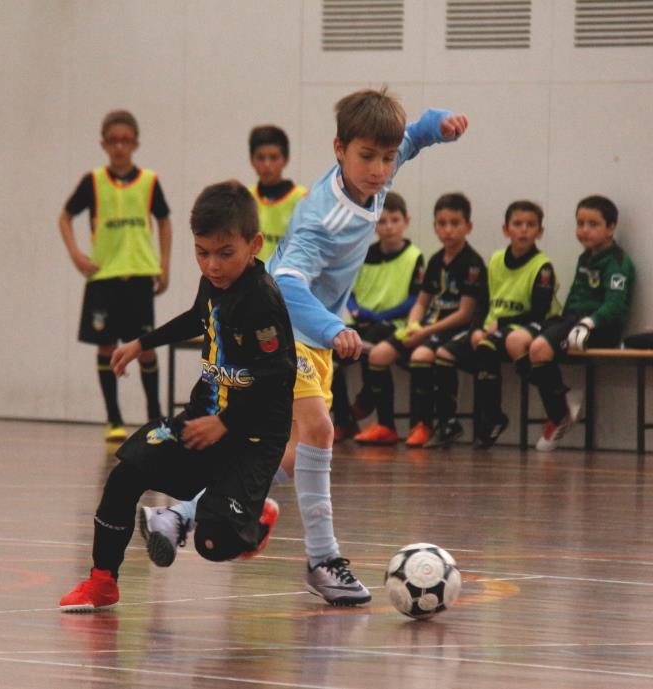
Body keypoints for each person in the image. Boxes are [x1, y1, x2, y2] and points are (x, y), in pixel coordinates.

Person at [146, 90, 468, 606]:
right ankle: (324, 560)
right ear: (339, 148)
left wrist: (441, 124)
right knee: (320, 429)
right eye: (368, 157)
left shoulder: (375, 172)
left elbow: (412, 137)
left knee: (293, 453)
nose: (380, 169)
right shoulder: (322, 219)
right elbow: (290, 284)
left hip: (307, 333)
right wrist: (332, 327)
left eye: (386, 159)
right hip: (281, 327)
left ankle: (178, 513)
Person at [58, 180, 295, 612]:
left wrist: (226, 423)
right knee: (126, 473)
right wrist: (143, 342)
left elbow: (278, 375)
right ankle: (102, 582)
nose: (213, 266)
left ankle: (255, 521)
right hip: (203, 416)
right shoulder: (214, 284)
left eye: (225, 253)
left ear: (254, 243)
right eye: (202, 253)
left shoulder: (262, 302)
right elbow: (195, 318)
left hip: (253, 437)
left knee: (211, 543)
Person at [58, 110, 172, 442]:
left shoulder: (149, 181)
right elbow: (65, 217)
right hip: (104, 277)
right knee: (106, 346)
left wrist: (163, 264)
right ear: (103, 144)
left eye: (125, 140)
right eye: (113, 140)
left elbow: (164, 221)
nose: (120, 146)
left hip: (138, 275)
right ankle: (114, 419)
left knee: (146, 347)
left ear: (135, 143)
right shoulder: (93, 181)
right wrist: (77, 255)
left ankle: (154, 417)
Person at [355, 192, 486, 449]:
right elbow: (422, 302)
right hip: (427, 327)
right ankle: (386, 426)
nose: (447, 230)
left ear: (468, 226)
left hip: (454, 330)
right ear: (435, 226)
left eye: (454, 223)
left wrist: (424, 331)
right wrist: (414, 325)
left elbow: (465, 314)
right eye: (442, 223)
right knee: (377, 355)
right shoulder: (436, 261)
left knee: (421, 356)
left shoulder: (472, 263)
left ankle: (421, 424)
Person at [434, 200, 557, 448]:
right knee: (443, 354)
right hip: (492, 328)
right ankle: (448, 422)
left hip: (530, 325)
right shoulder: (497, 260)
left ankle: (492, 417)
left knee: (487, 348)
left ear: (540, 232)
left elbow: (540, 311)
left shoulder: (542, 267)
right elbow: (482, 301)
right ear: (505, 229)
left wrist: (500, 322)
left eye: (530, 225)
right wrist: (476, 328)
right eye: (517, 224)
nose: (523, 230)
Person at [528, 195, 635, 450]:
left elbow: (615, 305)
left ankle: (558, 416)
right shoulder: (585, 258)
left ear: (611, 228)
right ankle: (564, 397)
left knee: (539, 349)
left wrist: (589, 323)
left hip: (598, 328)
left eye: (593, 224)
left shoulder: (617, 262)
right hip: (572, 321)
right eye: (580, 223)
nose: (584, 230)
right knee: (519, 342)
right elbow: (575, 297)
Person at [331, 191, 424, 442]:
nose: (389, 226)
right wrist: (358, 310)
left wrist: (382, 314)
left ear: (406, 221)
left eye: (394, 220)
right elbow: (348, 291)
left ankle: (376, 413)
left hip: (394, 326)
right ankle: (344, 419)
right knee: (327, 354)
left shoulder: (415, 257)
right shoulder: (363, 254)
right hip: (364, 323)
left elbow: (416, 299)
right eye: (382, 221)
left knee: (369, 346)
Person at [247, 125, 308, 262]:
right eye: (261, 158)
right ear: (252, 160)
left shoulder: (302, 198)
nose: (267, 164)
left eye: (274, 157)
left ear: (285, 159)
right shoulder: (246, 198)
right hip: (253, 281)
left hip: (287, 279)